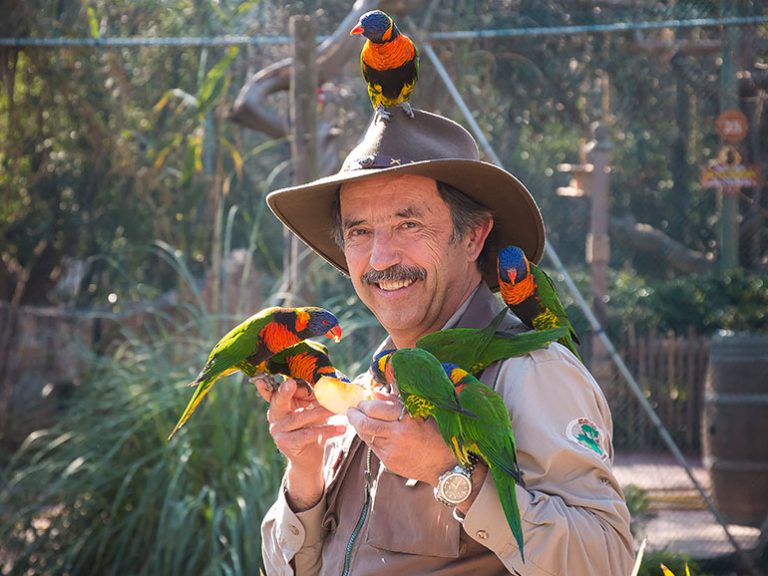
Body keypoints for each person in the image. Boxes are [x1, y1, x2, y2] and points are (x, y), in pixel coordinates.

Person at [253, 109, 634, 575]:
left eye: (408, 224)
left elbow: (607, 563)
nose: (380, 258)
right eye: (359, 232)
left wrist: (451, 473)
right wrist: (306, 472)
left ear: (473, 236)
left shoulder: (529, 373)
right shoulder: (368, 388)